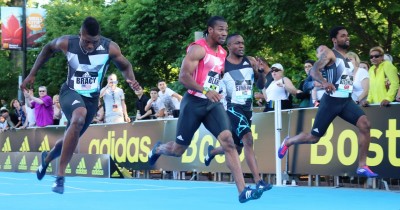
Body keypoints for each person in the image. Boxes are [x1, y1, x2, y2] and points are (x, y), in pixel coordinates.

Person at [147, 16, 262, 203]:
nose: (224, 33)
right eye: (220, 29)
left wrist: (251, 67)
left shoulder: (224, 54)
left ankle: (242, 191)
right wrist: (205, 90)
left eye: (226, 30)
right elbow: (183, 77)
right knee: (178, 150)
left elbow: (226, 72)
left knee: (229, 142)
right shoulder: (198, 49)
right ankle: (158, 148)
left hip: (212, 104)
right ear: (210, 30)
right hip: (193, 102)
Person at [20, 16, 140, 194]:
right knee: (78, 118)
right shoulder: (67, 43)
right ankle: (60, 176)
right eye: (86, 41)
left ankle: (47, 159)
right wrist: (32, 73)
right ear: (80, 35)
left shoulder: (110, 48)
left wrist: (131, 79)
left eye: (94, 42)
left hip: (91, 99)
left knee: (72, 135)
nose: (90, 46)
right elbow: (47, 49)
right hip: (70, 92)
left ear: (98, 38)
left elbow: (125, 65)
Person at [277, 26, 378, 178]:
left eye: (347, 35)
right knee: (314, 138)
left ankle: (362, 166)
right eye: (343, 36)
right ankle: (288, 141)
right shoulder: (330, 54)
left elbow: (346, 79)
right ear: (334, 40)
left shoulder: (348, 60)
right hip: (331, 102)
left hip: (346, 101)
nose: (347, 37)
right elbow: (313, 70)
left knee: (365, 124)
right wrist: (324, 83)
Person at [203, 33, 272, 192]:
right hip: (231, 108)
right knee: (248, 140)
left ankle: (212, 151)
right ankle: (259, 181)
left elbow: (260, 84)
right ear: (229, 47)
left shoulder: (250, 61)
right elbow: (209, 87)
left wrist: (260, 72)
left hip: (247, 108)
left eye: (242, 43)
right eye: (237, 43)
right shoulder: (221, 65)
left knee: (237, 147)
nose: (241, 46)